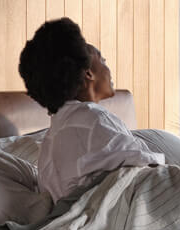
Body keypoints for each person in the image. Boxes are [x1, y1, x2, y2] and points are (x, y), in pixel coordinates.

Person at [17, 18, 164, 200]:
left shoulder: (56, 134)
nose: (108, 67)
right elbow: (150, 169)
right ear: (88, 72)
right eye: (102, 60)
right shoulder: (92, 119)